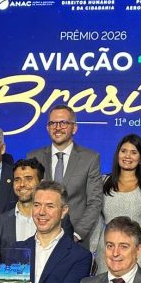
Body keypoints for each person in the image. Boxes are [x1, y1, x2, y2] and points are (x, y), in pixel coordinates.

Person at [27, 104, 102, 247]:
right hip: (39, 236)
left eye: (63, 123)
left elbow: (95, 202)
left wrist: (76, 234)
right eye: (53, 123)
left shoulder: (90, 159)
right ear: (47, 128)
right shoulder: (34, 157)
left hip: (75, 240)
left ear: (74, 128)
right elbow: (29, 198)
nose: (57, 127)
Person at [91, 133, 141, 271]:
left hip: (135, 252)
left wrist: (139, 260)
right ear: (118, 154)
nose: (127, 156)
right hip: (106, 252)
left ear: (140, 159)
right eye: (123, 151)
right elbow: (97, 222)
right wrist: (92, 253)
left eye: (133, 152)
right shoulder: (103, 182)